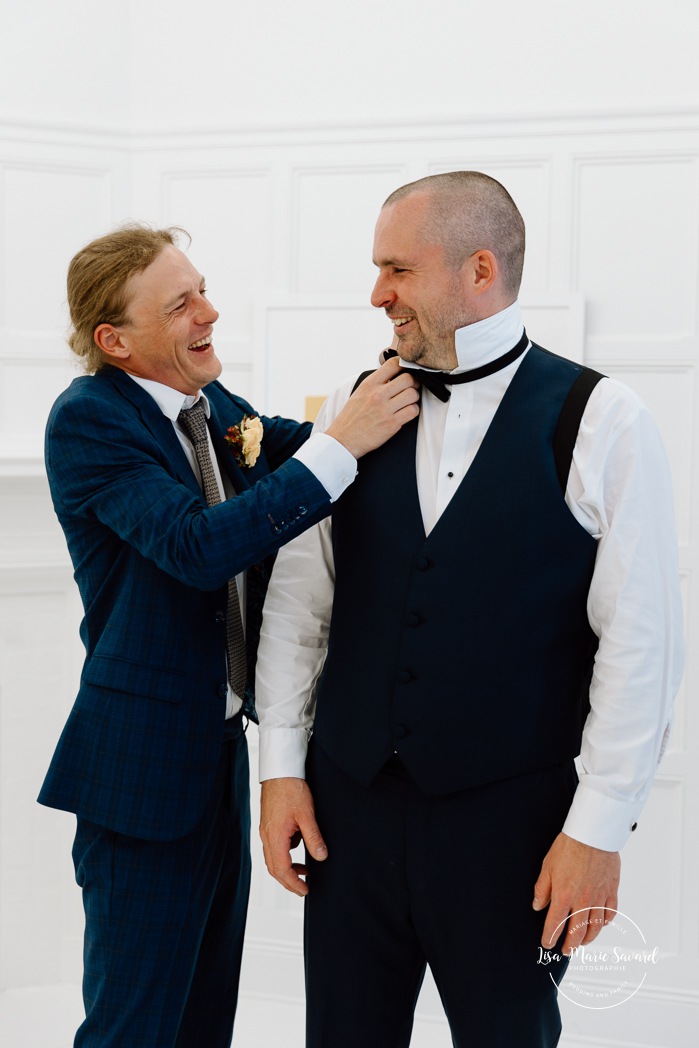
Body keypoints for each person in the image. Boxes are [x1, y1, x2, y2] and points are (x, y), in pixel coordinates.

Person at [256, 172, 685, 1047]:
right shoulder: (351, 404)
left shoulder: (602, 420)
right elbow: (302, 604)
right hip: (349, 807)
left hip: (512, 831)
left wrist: (596, 830)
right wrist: (281, 769)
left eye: (396, 270)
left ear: (477, 268)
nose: (377, 294)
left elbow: (642, 644)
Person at [37, 224, 419, 1048]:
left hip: (213, 758)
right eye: (180, 304)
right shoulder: (89, 421)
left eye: (202, 288)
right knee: (135, 1025)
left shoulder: (211, 408)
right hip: (139, 776)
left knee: (207, 1014)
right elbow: (197, 548)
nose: (210, 311)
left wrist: (406, 394)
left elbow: (305, 450)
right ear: (116, 340)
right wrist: (343, 442)